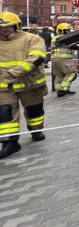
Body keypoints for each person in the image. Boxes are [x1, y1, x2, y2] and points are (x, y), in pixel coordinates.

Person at [0, 11, 48, 159]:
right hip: (4, 86)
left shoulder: (32, 39)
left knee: (34, 110)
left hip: (29, 83)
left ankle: (35, 129)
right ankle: (10, 142)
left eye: (8, 26)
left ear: (17, 26)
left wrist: (14, 72)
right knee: (5, 113)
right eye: (1, 28)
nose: (4, 30)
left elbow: (37, 58)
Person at [51, 23, 78, 97]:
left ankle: (58, 91)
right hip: (64, 59)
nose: (68, 31)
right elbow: (74, 46)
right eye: (67, 30)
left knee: (59, 75)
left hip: (54, 59)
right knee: (72, 73)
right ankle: (64, 89)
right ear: (61, 30)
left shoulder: (54, 38)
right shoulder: (65, 38)